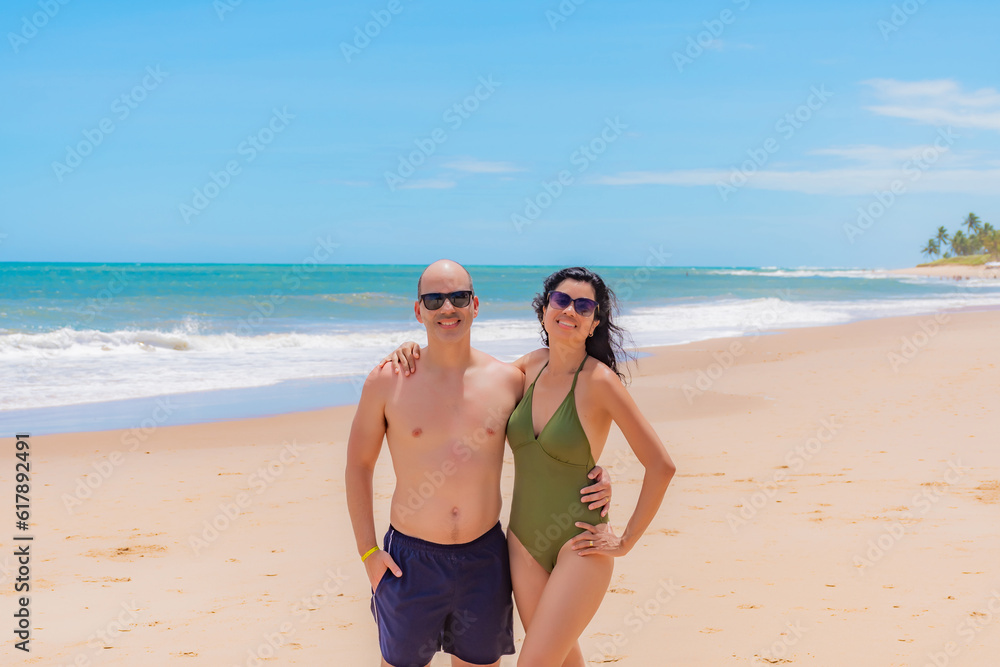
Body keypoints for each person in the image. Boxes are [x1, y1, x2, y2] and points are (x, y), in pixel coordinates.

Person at [388, 266, 676, 666]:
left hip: (582, 543)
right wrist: (412, 349)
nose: (569, 310)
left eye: (583, 305)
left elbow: (661, 465)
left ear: (594, 321)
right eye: (560, 300)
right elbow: (468, 372)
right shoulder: (525, 370)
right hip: (522, 543)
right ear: (544, 311)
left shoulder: (600, 382)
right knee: (562, 657)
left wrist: (625, 541)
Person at [345, 259, 612, 667]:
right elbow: (358, 465)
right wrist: (368, 554)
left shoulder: (509, 379)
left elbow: (555, 427)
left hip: (484, 558)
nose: (447, 308)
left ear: (475, 306)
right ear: (418, 311)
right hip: (409, 562)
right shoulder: (388, 380)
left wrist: (594, 473)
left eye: (458, 297)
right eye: (434, 299)